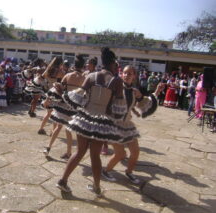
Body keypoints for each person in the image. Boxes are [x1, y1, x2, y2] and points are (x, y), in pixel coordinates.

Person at [56, 47, 123, 196]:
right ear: (113, 64)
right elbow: (118, 107)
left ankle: (63, 180)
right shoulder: (117, 81)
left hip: (85, 118)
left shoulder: (91, 76)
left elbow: (80, 97)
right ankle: (97, 187)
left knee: (79, 151)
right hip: (101, 122)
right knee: (95, 155)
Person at [102, 65, 164, 184]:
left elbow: (145, 104)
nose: (126, 75)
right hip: (114, 126)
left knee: (135, 152)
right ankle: (106, 171)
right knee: (120, 154)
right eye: (124, 73)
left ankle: (129, 172)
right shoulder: (116, 87)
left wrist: (155, 92)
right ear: (121, 74)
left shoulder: (135, 91)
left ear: (134, 76)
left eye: (129, 73)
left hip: (127, 126)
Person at [44, 55, 86, 160]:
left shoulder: (68, 75)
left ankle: (48, 148)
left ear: (74, 65)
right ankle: (68, 153)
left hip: (64, 105)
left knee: (58, 127)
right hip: (75, 108)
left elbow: (59, 89)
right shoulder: (84, 78)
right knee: (68, 130)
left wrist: (49, 99)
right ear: (82, 66)